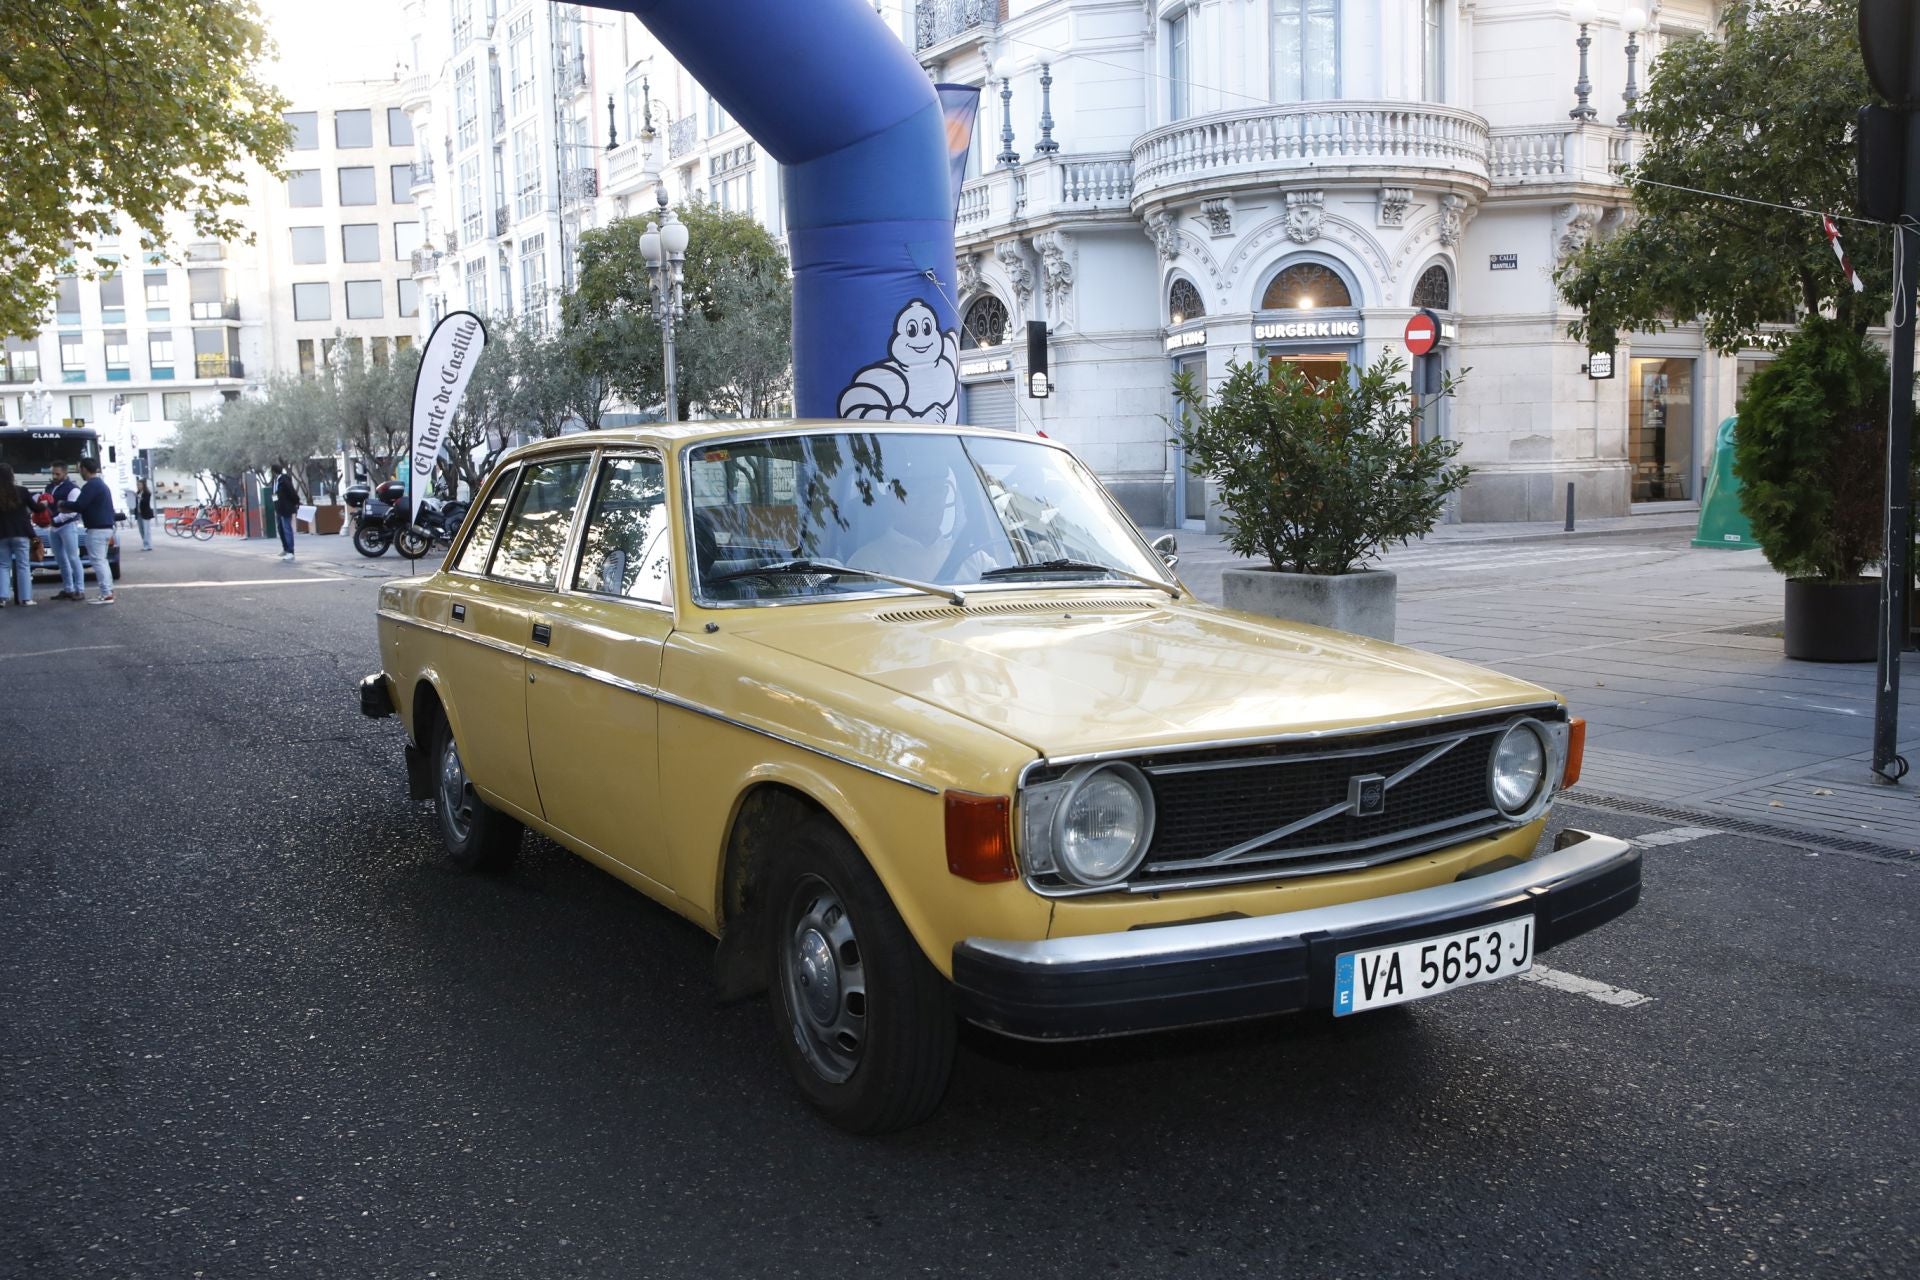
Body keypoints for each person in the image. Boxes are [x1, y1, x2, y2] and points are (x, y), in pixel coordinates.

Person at [68, 457, 117, 604]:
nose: (79, 472)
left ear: (84, 469)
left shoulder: (91, 486)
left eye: (80, 469)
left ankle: (106, 593)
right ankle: (108, 590)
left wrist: (63, 504)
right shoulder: (102, 485)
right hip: (106, 527)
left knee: (98, 561)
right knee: (102, 561)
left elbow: (80, 505)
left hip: (96, 529)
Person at [43, 462, 84, 600]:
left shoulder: (73, 489)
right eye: (53, 473)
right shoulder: (49, 487)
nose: (54, 476)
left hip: (67, 525)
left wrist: (55, 520)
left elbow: (73, 510)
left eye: (57, 474)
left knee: (73, 558)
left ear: (65, 474)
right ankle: (68, 588)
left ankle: (80, 589)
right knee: (61, 559)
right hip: (54, 526)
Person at [0, 463, 35, 607]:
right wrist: (44, 504)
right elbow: (36, 508)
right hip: (21, 533)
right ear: (12, 475)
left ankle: (2, 597)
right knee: (23, 565)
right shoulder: (22, 491)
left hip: (1, 535)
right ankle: (26, 598)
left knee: (2, 565)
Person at [271, 463, 299, 561]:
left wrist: (296, 502)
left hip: (285, 508)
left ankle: (291, 551)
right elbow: (275, 494)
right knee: (280, 528)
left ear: (273, 472)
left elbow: (291, 492)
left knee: (287, 529)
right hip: (279, 508)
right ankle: (286, 549)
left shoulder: (284, 480)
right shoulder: (275, 481)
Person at [134, 479, 154, 550]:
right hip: (139, 513)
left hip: (145, 513)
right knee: (141, 530)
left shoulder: (147, 493)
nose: (138, 486)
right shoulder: (137, 493)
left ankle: (148, 545)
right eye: (137, 485)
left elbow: (146, 502)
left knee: (146, 530)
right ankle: (146, 543)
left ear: (143, 485)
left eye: (139, 485)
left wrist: (139, 498)